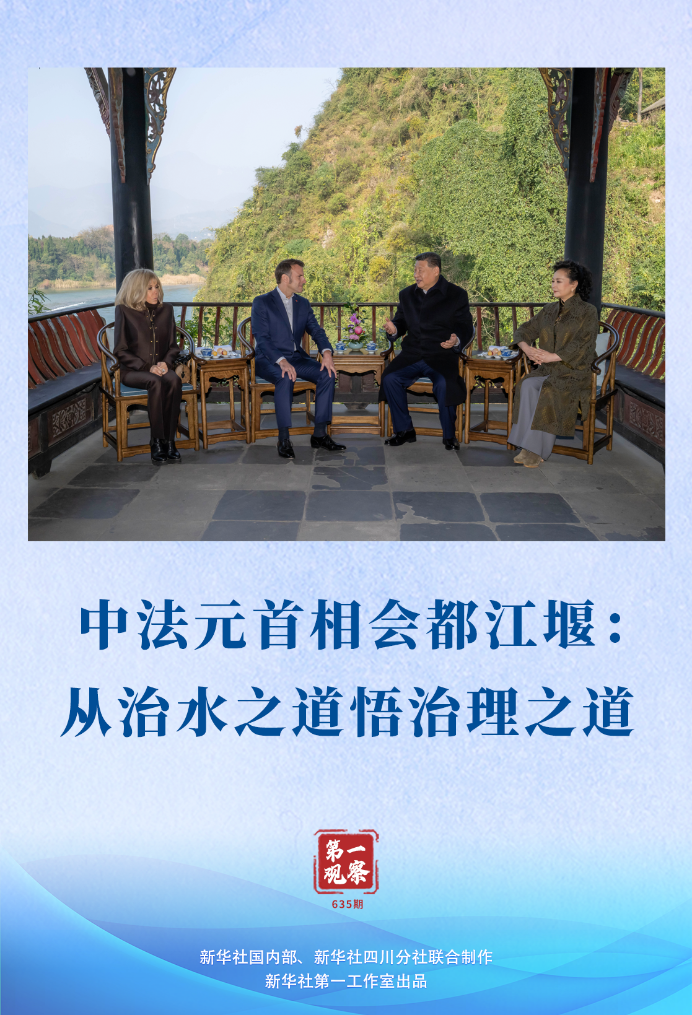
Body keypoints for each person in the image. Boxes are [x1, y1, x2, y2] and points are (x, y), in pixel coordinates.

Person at [251, 259, 346, 458]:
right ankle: (284, 438)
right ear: (285, 278)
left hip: (296, 358)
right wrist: (281, 361)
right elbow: (262, 338)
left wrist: (327, 353)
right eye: (300, 276)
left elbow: (316, 331)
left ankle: (319, 434)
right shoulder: (262, 302)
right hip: (268, 359)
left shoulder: (302, 303)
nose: (304, 280)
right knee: (285, 376)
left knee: (327, 374)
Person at [509, 260, 599, 467]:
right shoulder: (549, 310)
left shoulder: (588, 311)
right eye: (552, 281)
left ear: (573, 284)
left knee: (549, 390)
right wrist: (527, 348)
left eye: (559, 281)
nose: (553, 285)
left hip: (574, 371)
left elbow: (583, 343)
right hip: (548, 368)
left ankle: (537, 450)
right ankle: (526, 444)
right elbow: (524, 330)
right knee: (526, 385)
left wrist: (553, 356)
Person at [380, 252, 474, 450]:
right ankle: (404, 430)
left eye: (420, 270)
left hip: (441, 355)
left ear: (435, 271)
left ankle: (449, 435)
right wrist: (394, 329)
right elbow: (400, 322)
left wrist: (456, 339)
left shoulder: (456, 294)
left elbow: (465, 326)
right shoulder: (406, 294)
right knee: (389, 378)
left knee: (445, 384)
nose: (416, 275)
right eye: (415, 270)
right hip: (412, 355)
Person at [113, 269, 184, 465]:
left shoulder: (166, 310)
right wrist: (147, 367)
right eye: (149, 288)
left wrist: (166, 363)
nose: (156, 292)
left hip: (161, 368)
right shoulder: (124, 311)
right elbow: (120, 350)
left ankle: (169, 440)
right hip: (133, 371)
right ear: (136, 290)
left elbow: (173, 346)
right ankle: (157, 441)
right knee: (155, 382)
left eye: (157, 286)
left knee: (174, 380)